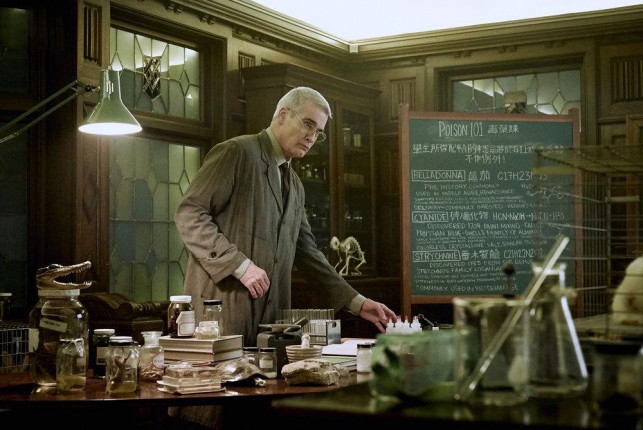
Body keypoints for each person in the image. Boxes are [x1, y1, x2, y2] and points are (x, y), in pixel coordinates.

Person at [174, 86, 398, 347]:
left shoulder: (295, 185)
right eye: (308, 124)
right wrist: (240, 265)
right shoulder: (236, 152)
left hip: (271, 323)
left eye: (318, 131)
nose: (312, 137)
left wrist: (358, 303)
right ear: (283, 115)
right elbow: (190, 214)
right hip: (220, 315)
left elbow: (308, 254)